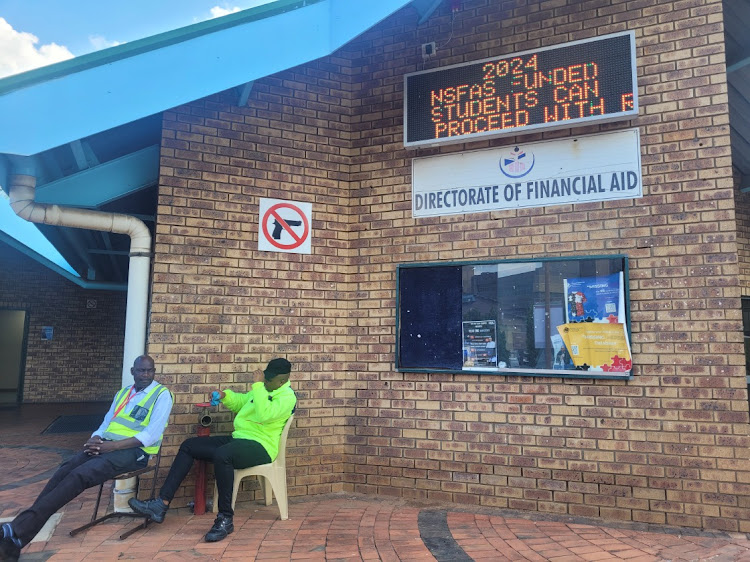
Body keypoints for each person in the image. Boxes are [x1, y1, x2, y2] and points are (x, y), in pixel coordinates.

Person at [0, 355, 173, 562]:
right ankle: (18, 536)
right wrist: (95, 438)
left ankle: (18, 531)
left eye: (150, 371)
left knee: (81, 474)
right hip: (107, 445)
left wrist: (112, 446)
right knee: (65, 469)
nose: (146, 375)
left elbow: (151, 435)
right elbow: (107, 422)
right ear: (132, 372)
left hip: (135, 453)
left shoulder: (161, 395)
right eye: (141, 370)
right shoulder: (123, 393)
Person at [128, 357, 296, 543]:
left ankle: (225, 519)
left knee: (223, 455)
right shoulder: (263, 389)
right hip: (239, 440)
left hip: (262, 447)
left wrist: (257, 386)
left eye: (269, 380)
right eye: (264, 378)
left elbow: (264, 414)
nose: (265, 382)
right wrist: (225, 395)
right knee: (189, 446)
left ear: (282, 380)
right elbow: (242, 402)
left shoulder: (287, 397)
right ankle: (161, 504)